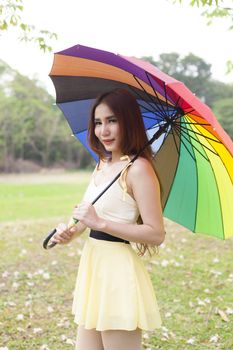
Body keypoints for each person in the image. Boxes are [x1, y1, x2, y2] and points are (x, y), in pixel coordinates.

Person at [51, 88, 165, 350]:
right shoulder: (102, 164)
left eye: (112, 120)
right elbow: (86, 216)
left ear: (129, 122)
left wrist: (100, 224)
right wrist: (70, 232)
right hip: (94, 267)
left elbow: (156, 233)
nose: (104, 130)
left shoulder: (139, 169)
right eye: (98, 122)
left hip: (118, 272)